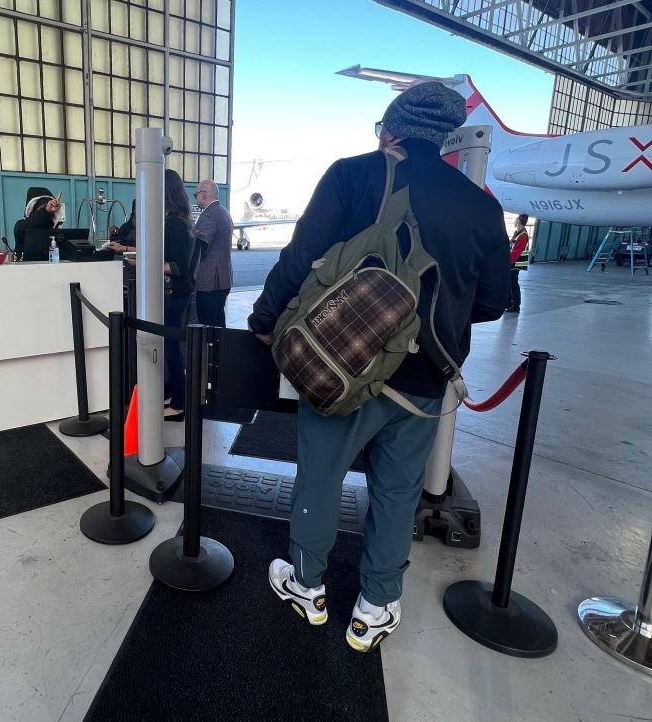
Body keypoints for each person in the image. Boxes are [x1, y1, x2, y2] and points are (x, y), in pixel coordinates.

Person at [248, 82, 510, 652]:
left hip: (341, 362)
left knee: (320, 474)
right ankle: (375, 608)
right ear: (442, 138)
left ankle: (306, 584)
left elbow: (300, 255)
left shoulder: (352, 175)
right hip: (425, 380)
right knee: (397, 491)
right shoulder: (480, 205)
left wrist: (266, 318)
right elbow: (494, 301)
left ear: (390, 129)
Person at [126, 169, 198, 421]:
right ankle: (177, 396)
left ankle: (179, 404)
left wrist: (145, 263)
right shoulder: (178, 220)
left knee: (171, 350)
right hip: (177, 293)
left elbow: (177, 267)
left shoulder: (175, 224)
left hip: (174, 294)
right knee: (172, 349)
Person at [192, 180, 234, 327]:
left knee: (207, 328)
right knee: (219, 324)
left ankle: (212, 351)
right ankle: (222, 350)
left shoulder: (209, 215)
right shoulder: (224, 212)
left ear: (203, 195)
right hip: (223, 280)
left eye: (195, 194)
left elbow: (198, 247)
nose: (195, 198)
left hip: (210, 283)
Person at [12, 187, 64, 258]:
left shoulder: (57, 231)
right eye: (41, 208)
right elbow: (29, 224)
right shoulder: (21, 226)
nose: (49, 208)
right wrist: (45, 211)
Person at [506, 214, 530, 313]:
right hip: (513, 263)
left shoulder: (523, 235)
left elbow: (517, 251)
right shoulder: (517, 232)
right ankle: (510, 303)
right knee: (510, 283)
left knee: (513, 284)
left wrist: (510, 262)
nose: (515, 220)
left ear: (519, 221)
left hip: (516, 264)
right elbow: (511, 246)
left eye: (516, 219)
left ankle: (516, 306)